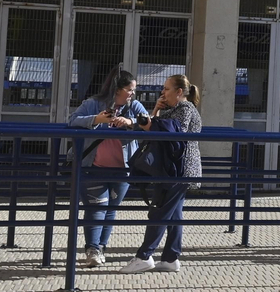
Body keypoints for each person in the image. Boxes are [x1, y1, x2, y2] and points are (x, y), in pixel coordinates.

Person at [121, 74, 203, 273]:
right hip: (171, 168)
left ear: (179, 92)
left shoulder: (185, 108)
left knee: (160, 211)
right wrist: (157, 109)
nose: (163, 92)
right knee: (173, 215)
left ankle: (144, 256)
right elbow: (152, 127)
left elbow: (177, 132)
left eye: (166, 89)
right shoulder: (172, 109)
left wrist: (156, 119)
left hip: (181, 169)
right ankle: (170, 258)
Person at [68, 68, 148, 268]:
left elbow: (149, 123)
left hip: (123, 169)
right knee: (97, 208)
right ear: (117, 89)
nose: (132, 94)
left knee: (111, 209)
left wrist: (130, 122)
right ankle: (92, 249)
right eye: (130, 89)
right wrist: (97, 119)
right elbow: (72, 121)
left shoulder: (134, 106)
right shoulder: (93, 103)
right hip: (93, 166)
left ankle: (101, 247)